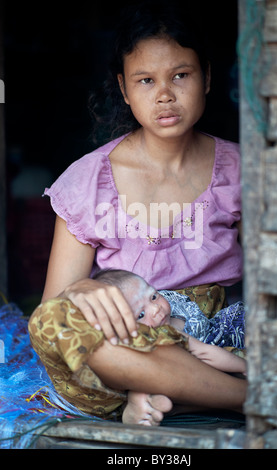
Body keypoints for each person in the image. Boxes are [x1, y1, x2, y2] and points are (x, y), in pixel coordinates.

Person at [28, 1, 246, 427]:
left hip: (214, 340)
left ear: (207, 79)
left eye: (180, 75)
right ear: (125, 90)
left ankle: (176, 393)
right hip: (126, 346)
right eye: (146, 80)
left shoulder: (244, 170)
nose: (164, 94)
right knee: (53, 323)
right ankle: (249, 398)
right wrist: (80, 292)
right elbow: (54, 307)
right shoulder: (86, 181)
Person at [94, 268, 246, 374]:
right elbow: (206, 352)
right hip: (212, 353)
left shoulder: (169, 299)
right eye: (140, 315)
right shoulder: (167, 337)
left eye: (153, 296)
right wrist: (245, 368)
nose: (155, 309)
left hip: (218, 327)